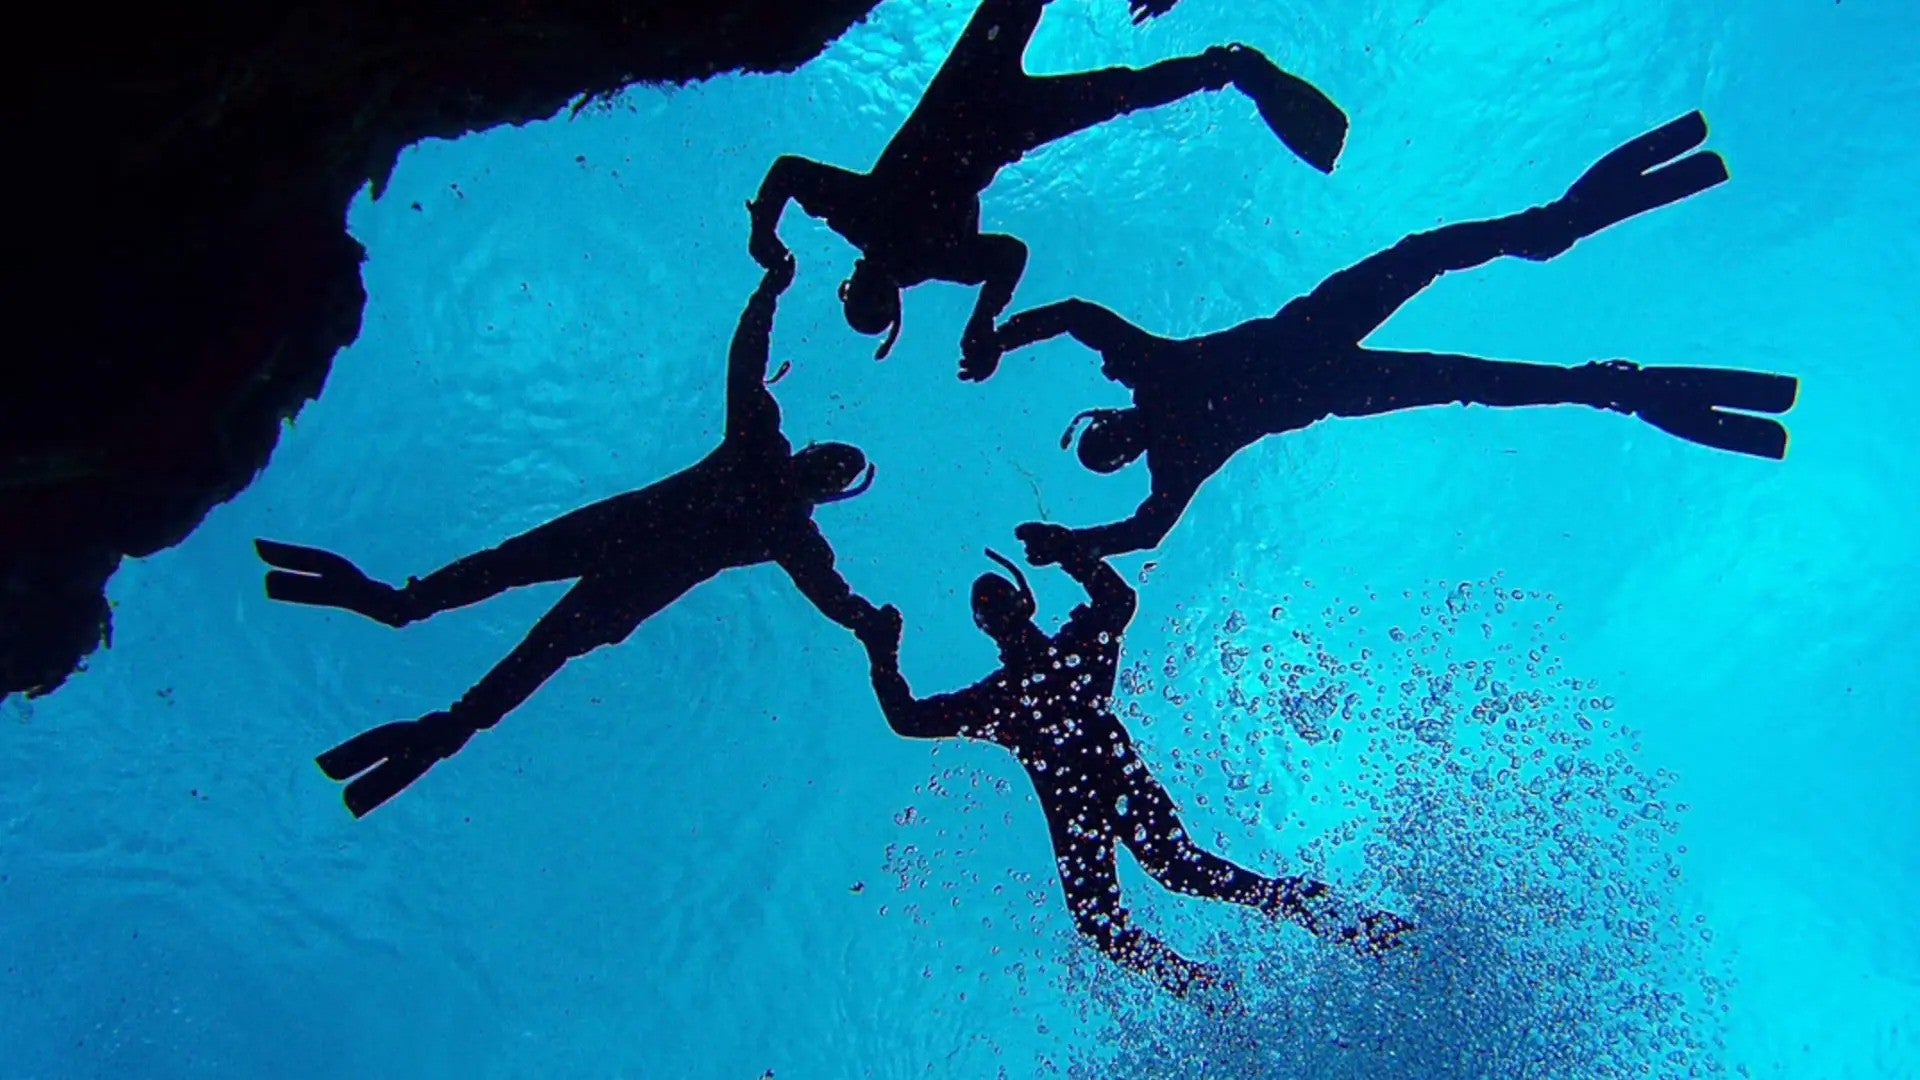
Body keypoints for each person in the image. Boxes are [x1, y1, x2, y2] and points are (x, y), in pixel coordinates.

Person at [996, 111, 1801, 563]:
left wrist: (1001, 336)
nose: (1116, 437)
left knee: (1448, 296)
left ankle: (1581, 300)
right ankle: (1606, 361)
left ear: (1108, 427)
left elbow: (1072, 318)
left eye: (1102, 438)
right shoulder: (1162, 408)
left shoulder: (1156, 389)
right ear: (1119, 438)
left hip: (1322, 351)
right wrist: (1001, 339)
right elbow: (1144, 521)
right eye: (1109, 444)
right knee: (1465, 340)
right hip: (1329, 369)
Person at [255, 254, 888, 817]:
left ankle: (426, 685)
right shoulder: (775, 489)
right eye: (831, 456)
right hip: (626, 563)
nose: (821, 464)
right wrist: (870, 629)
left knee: (527, 627)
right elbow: (748, 368)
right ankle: (421, 674)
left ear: (822, 482)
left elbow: (832, 593)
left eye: (831, 465)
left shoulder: (774, 485)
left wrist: (769, 292)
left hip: (619, 554)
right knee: (524, 622)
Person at [855, 530, 1410, 996]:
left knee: (1168, 879)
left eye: (995, 604)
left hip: (1093, 795)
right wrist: (1068, 552)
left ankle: (1288, 938)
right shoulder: (1052, 667)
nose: (996, 615)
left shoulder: (1026, 684)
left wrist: (882, 652)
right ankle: (1213, 985)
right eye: (990, 609)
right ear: (1001, 618)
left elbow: (910, 717)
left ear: (1017, 608)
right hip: (1098, 794)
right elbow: (910, 719)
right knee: (1129, 905)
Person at [747, 0, 1349, 380]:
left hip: (970, 89)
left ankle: (1230, 68)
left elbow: (788, 173)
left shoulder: (867, 222)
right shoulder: (920, 253)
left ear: (849, 285)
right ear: (892, 306)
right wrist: (982, 323)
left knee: (1121, 89)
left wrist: (764, 234)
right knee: (1124, 91)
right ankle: (1229, 68)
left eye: (858, 300)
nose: (872, 293)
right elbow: (1009, 255)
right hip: (1001, 120)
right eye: (877, 307)